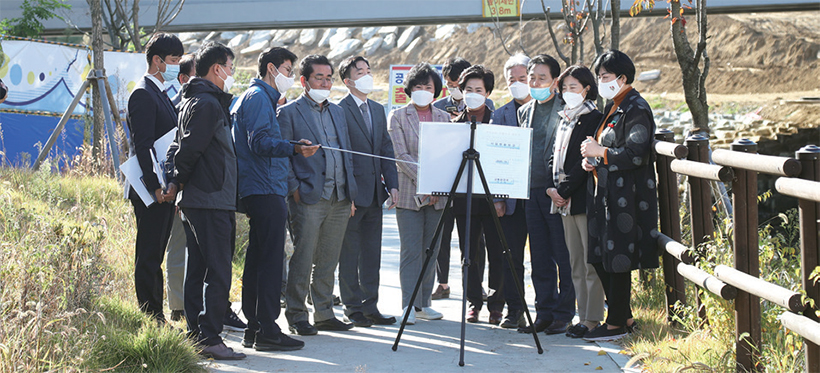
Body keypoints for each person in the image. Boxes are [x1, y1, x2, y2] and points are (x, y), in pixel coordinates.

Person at [233, 47, 320, 351]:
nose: (289, 76)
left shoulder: (259, 98)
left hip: (262, 186)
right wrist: (295, 147)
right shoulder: (258, 98)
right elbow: (259, 142)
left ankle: (255, 328)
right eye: (286, 69)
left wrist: (292, 145)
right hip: (264, 186)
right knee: (269, 262)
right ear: (271, 68)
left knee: (259, 259)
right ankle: (267, 329)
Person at [166, 41, 245, 360]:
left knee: (198, 269)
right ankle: (210, 337)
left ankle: (196, 334)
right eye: (230, 66)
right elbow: (188, 150)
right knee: (219, 271)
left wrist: (176, 182)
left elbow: (175, 147)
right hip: (210, 198)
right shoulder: (207, 103)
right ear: (217, 68)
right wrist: (177, 180)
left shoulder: (196, 100)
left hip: (202, 198)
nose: (231, 73)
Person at [581, 50, 658, 341]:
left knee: (618, 257)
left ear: (622, 78)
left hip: (627, 197)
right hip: (606, 194)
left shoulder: (636, 107)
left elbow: (636, 154)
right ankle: (622, 316)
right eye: (600, 77)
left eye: (605, 77)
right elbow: (609, 150)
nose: (601, 82)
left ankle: (615, 324)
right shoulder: (615, 106)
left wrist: (600, 153)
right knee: (601, 255)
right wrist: (592, 159)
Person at [279, 54, 358, 336]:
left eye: (328, 78)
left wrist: (350, 195)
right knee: (303, 257)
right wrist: (294, 190)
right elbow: (284, 156)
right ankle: (297, 314)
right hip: (308, 197)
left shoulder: (338, 112)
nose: (325, 82)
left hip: (339, 197)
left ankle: (324, 312)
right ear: (304, 81)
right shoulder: (288, 112)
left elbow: (345, 153)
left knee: (328, 258)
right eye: (318, 77)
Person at [337, 55, 400, 327]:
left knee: (371, 254)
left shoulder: (377, 108)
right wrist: (348, 194)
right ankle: (352, 309)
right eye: (360, 71)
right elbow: (342, 156)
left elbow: (386, 148)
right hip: (353, 196)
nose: (366, 75)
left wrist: (394, 184)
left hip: (376, 193)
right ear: (348, 81)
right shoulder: (339, 110)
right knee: (349, 254)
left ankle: (370, 305)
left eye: (368, 70)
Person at [125, 33, 183, 324]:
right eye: (173, 60)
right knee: (148, 254)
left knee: (156, 253)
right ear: (157, 60)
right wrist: (156, 186)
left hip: (166, 189)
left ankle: (156, 314)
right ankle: (150, 316)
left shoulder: (160, 92)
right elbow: (143, 144)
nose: (177, 66)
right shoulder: (142, 93)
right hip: (151, 190)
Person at [517, 54, 576, 335]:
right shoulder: (524, 112)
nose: (535, 82)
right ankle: (544, 312)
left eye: (542, 77)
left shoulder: (566, 110)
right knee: (539, 256)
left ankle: (564, 313)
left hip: (557, 194)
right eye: (532, 77)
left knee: (562, 255)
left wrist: (562, 190)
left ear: (555, 81)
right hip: (531, 193)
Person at [546, 65, 605, 339]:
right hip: (563, 201)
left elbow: (586, 163)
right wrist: (552, 188)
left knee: (590, 262)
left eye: (574, 87)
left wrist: (565, 189)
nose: (569, 92)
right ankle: (582, 318)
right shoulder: (564, 117)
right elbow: (554, 155)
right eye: (565, 87)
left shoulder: (594, 118)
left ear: (586, 89)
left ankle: (593, 319)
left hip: (582, 199)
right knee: (575, 263)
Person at [387, 62, 448, 325]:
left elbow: (448, 154)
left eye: (428, 87)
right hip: (410, 191)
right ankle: (408, 305)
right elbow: (401, 155)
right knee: (411, 250)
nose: (423, 90)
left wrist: (437, 185)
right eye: (418, 86)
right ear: (409, 89)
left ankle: (424, 303)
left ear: (436, 91)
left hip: (439, 197)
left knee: (430, 250)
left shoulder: (445, 118)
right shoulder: (398, 116)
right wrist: (427, 182)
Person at [431, 57, 493, 301]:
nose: (458, 90)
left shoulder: (491, 112)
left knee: (480, 245)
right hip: (452, 187)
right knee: (449, 240)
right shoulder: (441, 109)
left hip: (481, 190)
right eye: (452, 85)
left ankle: (482, 291)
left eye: (460, 84)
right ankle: (446, 283)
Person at [450, 64, 506, 325]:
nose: (473, 94)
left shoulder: (499, 122)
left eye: (478, 90)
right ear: (461, 91)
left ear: (488, 92)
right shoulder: (455, 125)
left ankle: (497, 304)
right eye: (468, 89)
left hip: (493, 198)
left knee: (498, 252)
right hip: (464, 200)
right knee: (469, 254)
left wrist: (501, 197)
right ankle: (474, 302)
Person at [489, 53, 532, 329]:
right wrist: (497, 199)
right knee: (511, 257)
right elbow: (494, 159)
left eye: (523, 78)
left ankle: (551, 309)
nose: (517, 84)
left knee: (547, 257)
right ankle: (514, 309)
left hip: (542, 197)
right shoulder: (501, 115)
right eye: (512, 80)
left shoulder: (550, 109)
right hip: (511, 200)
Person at [166, 52, 195, 323]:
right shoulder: (173, 108)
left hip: (202, 191)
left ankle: (196, 303)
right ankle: (177, 304)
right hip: (178, 189)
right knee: (178, 247)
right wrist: (173, 186)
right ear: (184, 78)